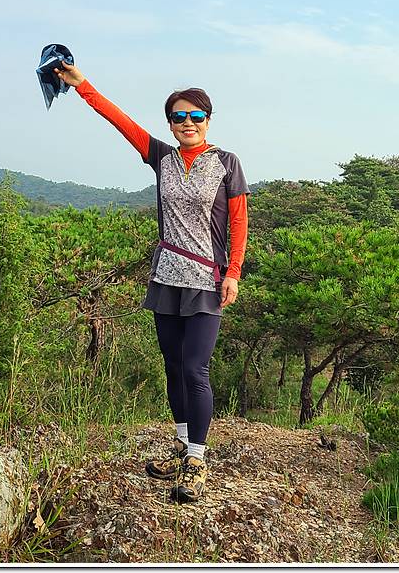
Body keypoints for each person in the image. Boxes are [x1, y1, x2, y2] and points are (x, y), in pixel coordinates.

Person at [53, 61, 249, 503]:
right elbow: (119, 121)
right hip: (166, 278)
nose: (187, 123)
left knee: (196, 368)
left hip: (206, 279)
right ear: (170, 123)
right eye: (179, 117)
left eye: (195, 116)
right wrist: (82, 85)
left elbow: (239, 222)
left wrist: (234, 273)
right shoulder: (161, 156)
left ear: (208, 120)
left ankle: (197, 459)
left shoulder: (226, 163)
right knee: (173, 366)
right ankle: (181, 446)